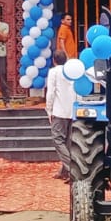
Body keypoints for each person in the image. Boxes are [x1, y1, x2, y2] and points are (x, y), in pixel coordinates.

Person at [45, 52, 76, 181]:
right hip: (72, 109)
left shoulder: (53, 72)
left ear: (54, 60)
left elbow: (51, 92)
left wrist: (49, 109)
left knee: (57, 139)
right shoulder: (71, 71)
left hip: (59, 110)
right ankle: (64, 171)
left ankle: (71, 169)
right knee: (67, 141)